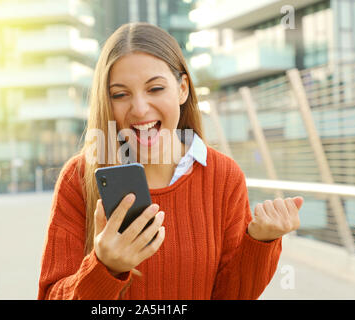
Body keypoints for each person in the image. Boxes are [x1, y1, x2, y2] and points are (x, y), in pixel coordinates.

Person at [37, 22, 304, 300]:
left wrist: (260, 242)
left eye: (155, 89)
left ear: (182, 89)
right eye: (120, 94)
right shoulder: (79, 177)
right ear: (107, 102)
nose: (140, 109)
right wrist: (104, 268)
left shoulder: (224, 176)